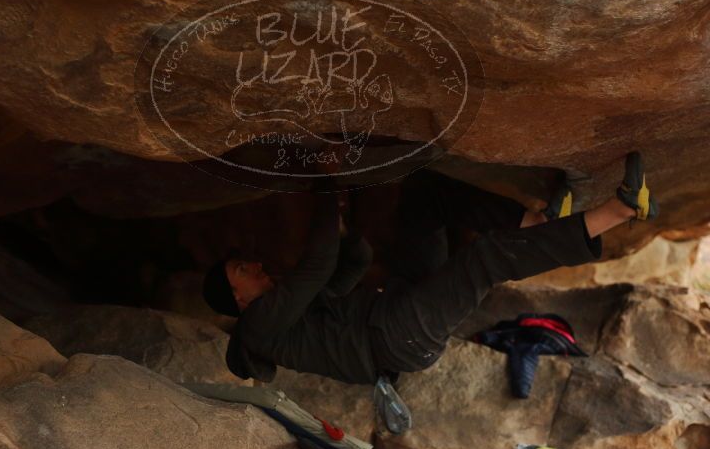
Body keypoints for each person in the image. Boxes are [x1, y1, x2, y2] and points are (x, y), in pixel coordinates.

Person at [202, 152, 658, 386]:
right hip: (398, 337)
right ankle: (619, 209)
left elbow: (351, 264)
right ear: (238, 298)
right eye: (243, 269)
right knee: (484, 259)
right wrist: (326, 181)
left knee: (423, 200)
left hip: (394, 308)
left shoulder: (287, 319)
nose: (257, 266)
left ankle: (533, 223)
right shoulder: (260, 325)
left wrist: (345, 232)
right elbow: (318, 265)